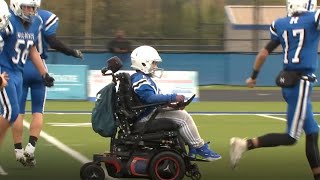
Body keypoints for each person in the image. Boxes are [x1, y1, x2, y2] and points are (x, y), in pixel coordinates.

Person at [229, 0, 320, 179]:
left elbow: (263, 53)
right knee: (291, 137)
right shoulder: (312, 18)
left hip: (289, 82)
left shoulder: (280, 23)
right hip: (300, 82)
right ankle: (244, 144)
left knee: (312, 132)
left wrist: (253, 76)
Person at [11, 0, 83, 167]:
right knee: (38, 111)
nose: (30, 10)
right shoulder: (43, 18)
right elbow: (52, 40)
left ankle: (18, 150)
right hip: (38, 65)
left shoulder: (13, 19)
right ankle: (31, 148)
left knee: (18, 112)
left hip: (20, 66)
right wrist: (72, 52)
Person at [130, 45, 221, 161]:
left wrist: (172, 106)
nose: (156, 66)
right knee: (183, 117)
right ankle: (199, 147)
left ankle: (194, 147)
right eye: (154, 63)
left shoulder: (141, 78)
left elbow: (150, 101)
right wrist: (173, 97)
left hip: (147, 114)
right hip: (145, 118)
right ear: (144, 63)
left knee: (180, 113)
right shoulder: (140, 79)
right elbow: (150, 99)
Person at [0, 0, 54, 167]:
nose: (30, 11)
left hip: (19, 73)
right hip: (5, 72)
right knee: (11, 112)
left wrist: (43, 73)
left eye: (33, 7)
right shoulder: (8, 21)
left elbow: (32, 49)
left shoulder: (36, 22)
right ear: (16, 6)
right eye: (27, 7)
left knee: (12, 114)